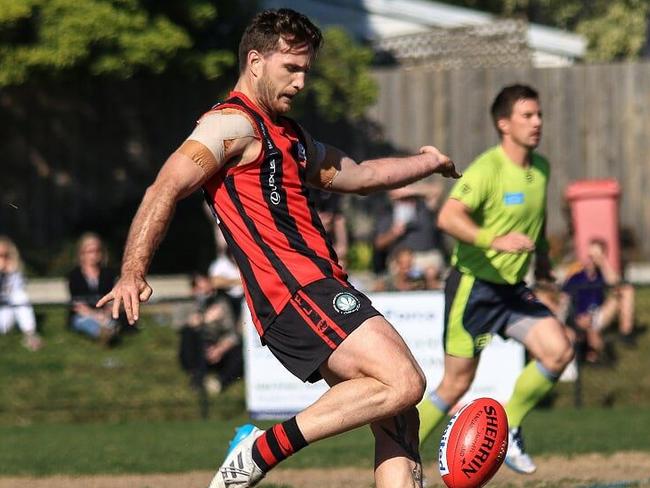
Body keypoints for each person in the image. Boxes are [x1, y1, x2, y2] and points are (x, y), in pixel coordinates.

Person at [97, 8, 459, 488]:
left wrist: (425, 163)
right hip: (296, 290)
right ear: (254, 61)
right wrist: (132, 271)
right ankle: (258, 452)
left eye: (306, 70)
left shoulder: (290, 137)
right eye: (291, 68)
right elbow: (164, 187)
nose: (302, 81)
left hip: (318, 287)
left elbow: (364, 176)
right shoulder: (229, 125)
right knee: (404, 382)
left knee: (399, 418)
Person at [417, 84, 574, 475]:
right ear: (504, 123)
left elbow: (536, 223)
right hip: (474, 287)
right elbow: (448, 217)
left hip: (512, 290)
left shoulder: (541, 169)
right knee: (455, 385)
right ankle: (397, 450)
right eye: (527, 115)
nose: (537, 122)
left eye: (539, 115)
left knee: (558, 349)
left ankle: (511, 424)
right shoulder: (488, 168)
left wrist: (542, 261)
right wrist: (494, 240)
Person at [561, 238, 637, 362]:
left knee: (624, 291)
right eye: (590, 255)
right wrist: (576, 317)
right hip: (579, 317)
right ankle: (593, 355)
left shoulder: (602, 274)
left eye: (595, 255)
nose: (591, 259)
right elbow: (564, 299)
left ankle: (625, 334)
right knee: (590, 328)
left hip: (597, 315)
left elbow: (615, 284)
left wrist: (603, 262)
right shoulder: (576, 276)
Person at [178, 272, 243, 395]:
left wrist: (221, 348)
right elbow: (183, 326)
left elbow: (232, 333)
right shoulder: (186, 304)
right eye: (202, 289)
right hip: (199, 347)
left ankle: (220, 382)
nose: (207, 293)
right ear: (194, 290)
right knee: (189, 335)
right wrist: (206, 318)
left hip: (218, 345)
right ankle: (196, 377)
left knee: (239, 349)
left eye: (209, 289)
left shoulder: (221, 304)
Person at [373, 182, 446, 279]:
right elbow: (378, 244)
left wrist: (411, 190)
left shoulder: (424, 207)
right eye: (402, 200)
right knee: (402, 268)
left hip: (427, 257)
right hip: (399, 261)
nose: (406, 202)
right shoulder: (388, 214)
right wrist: (394, 233)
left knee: (431, 272)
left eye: (409, 198)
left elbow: (438, 190)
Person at [67, 233, 122, 344]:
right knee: (84, 322)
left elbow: (113, 299)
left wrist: (105, 314)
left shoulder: (109, 274)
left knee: (111, 321)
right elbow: (77, 304)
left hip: (105, 314)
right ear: (81, 254)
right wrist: (95, 315)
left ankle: (108, 333)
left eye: (97, 251)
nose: (94, 255)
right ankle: (102, 334)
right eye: (90, 251)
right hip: (84, 315)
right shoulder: (74, 275)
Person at [0, 236, 42, 351]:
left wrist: (11, 273)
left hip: (6, 315)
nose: (2, 260)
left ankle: (30, 334)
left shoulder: (13, 271)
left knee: (19, 295)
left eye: (5, 256)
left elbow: (17, 291)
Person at [208, 248, 245, 325]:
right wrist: (237, 281)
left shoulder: (244, 261)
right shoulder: (221, 264)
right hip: (226, 298)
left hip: (244, 298)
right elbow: (215, 282)